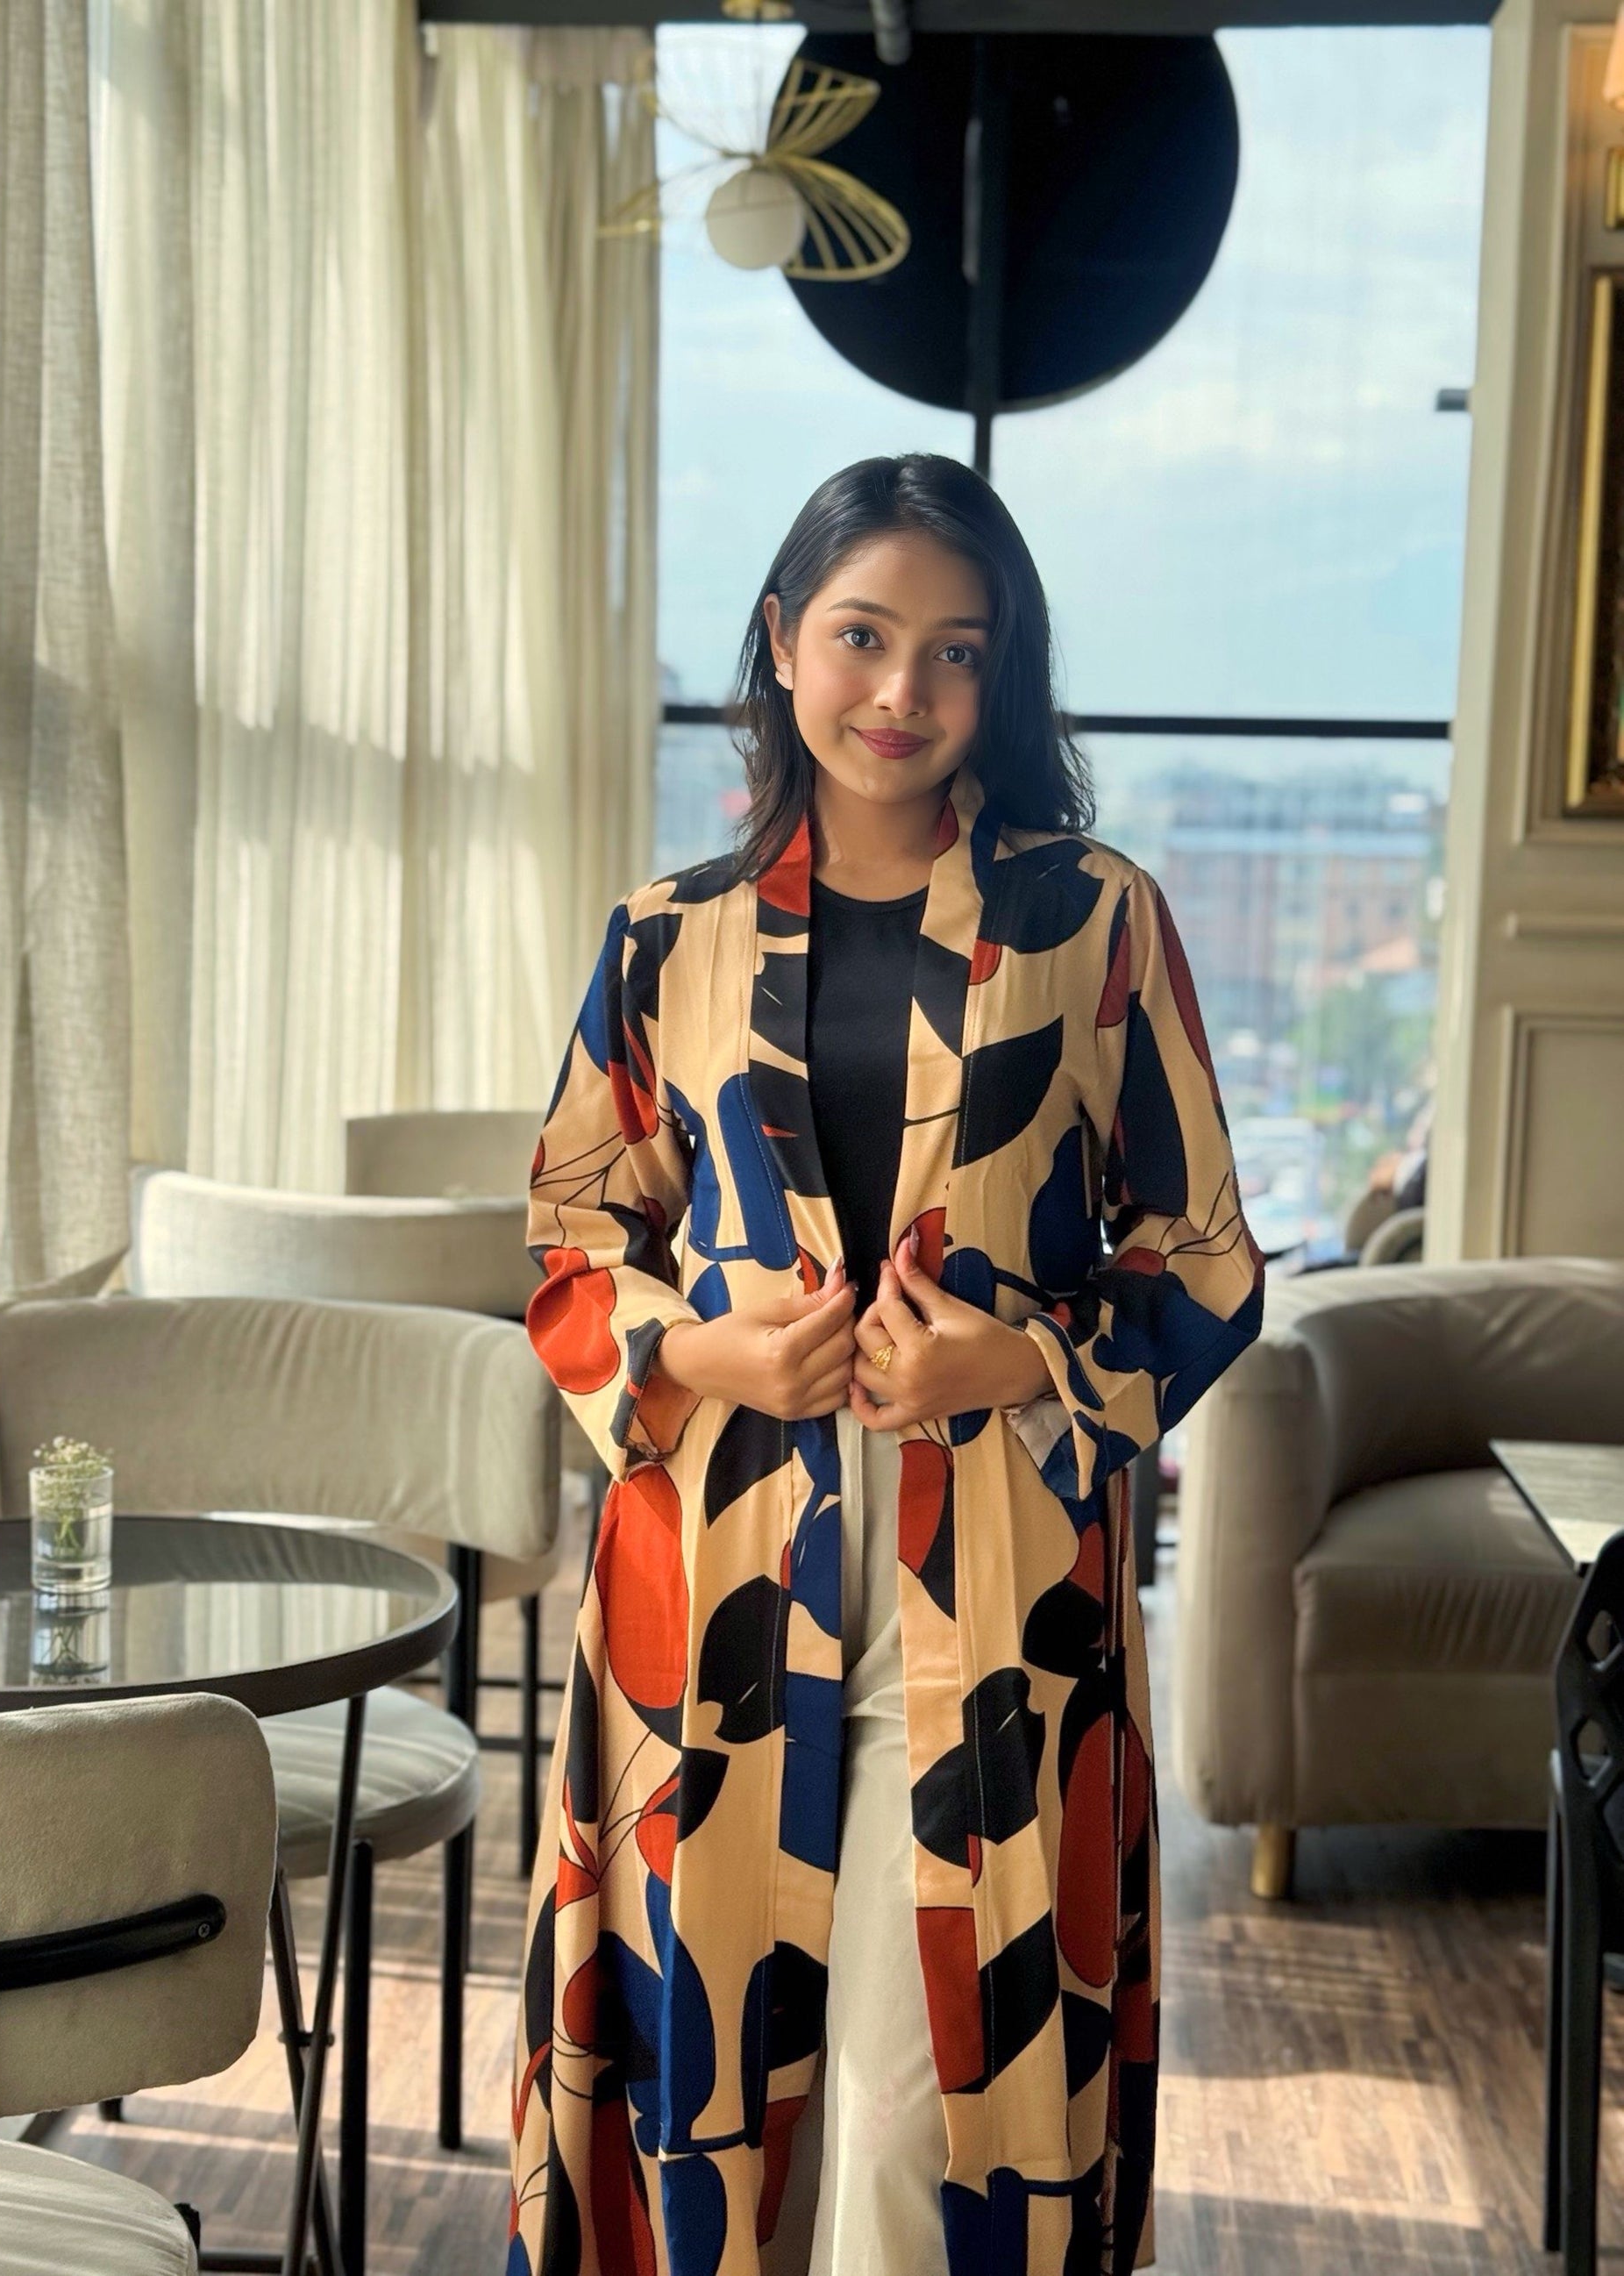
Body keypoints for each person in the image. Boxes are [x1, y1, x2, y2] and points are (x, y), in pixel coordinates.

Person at [508, 453, 1265, 2276]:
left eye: (955, 651)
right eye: (860, 635)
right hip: (712, 1591)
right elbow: (567, 1237)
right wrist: (700, 1341)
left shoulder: (1090, 921)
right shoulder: (662, 935)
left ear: (1003, 679)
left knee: (922, 2118)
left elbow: (1208, 1260)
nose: (899, 693)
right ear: (781, 642)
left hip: (997, 1590)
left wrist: (1022, 1355)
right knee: (716, 2101)